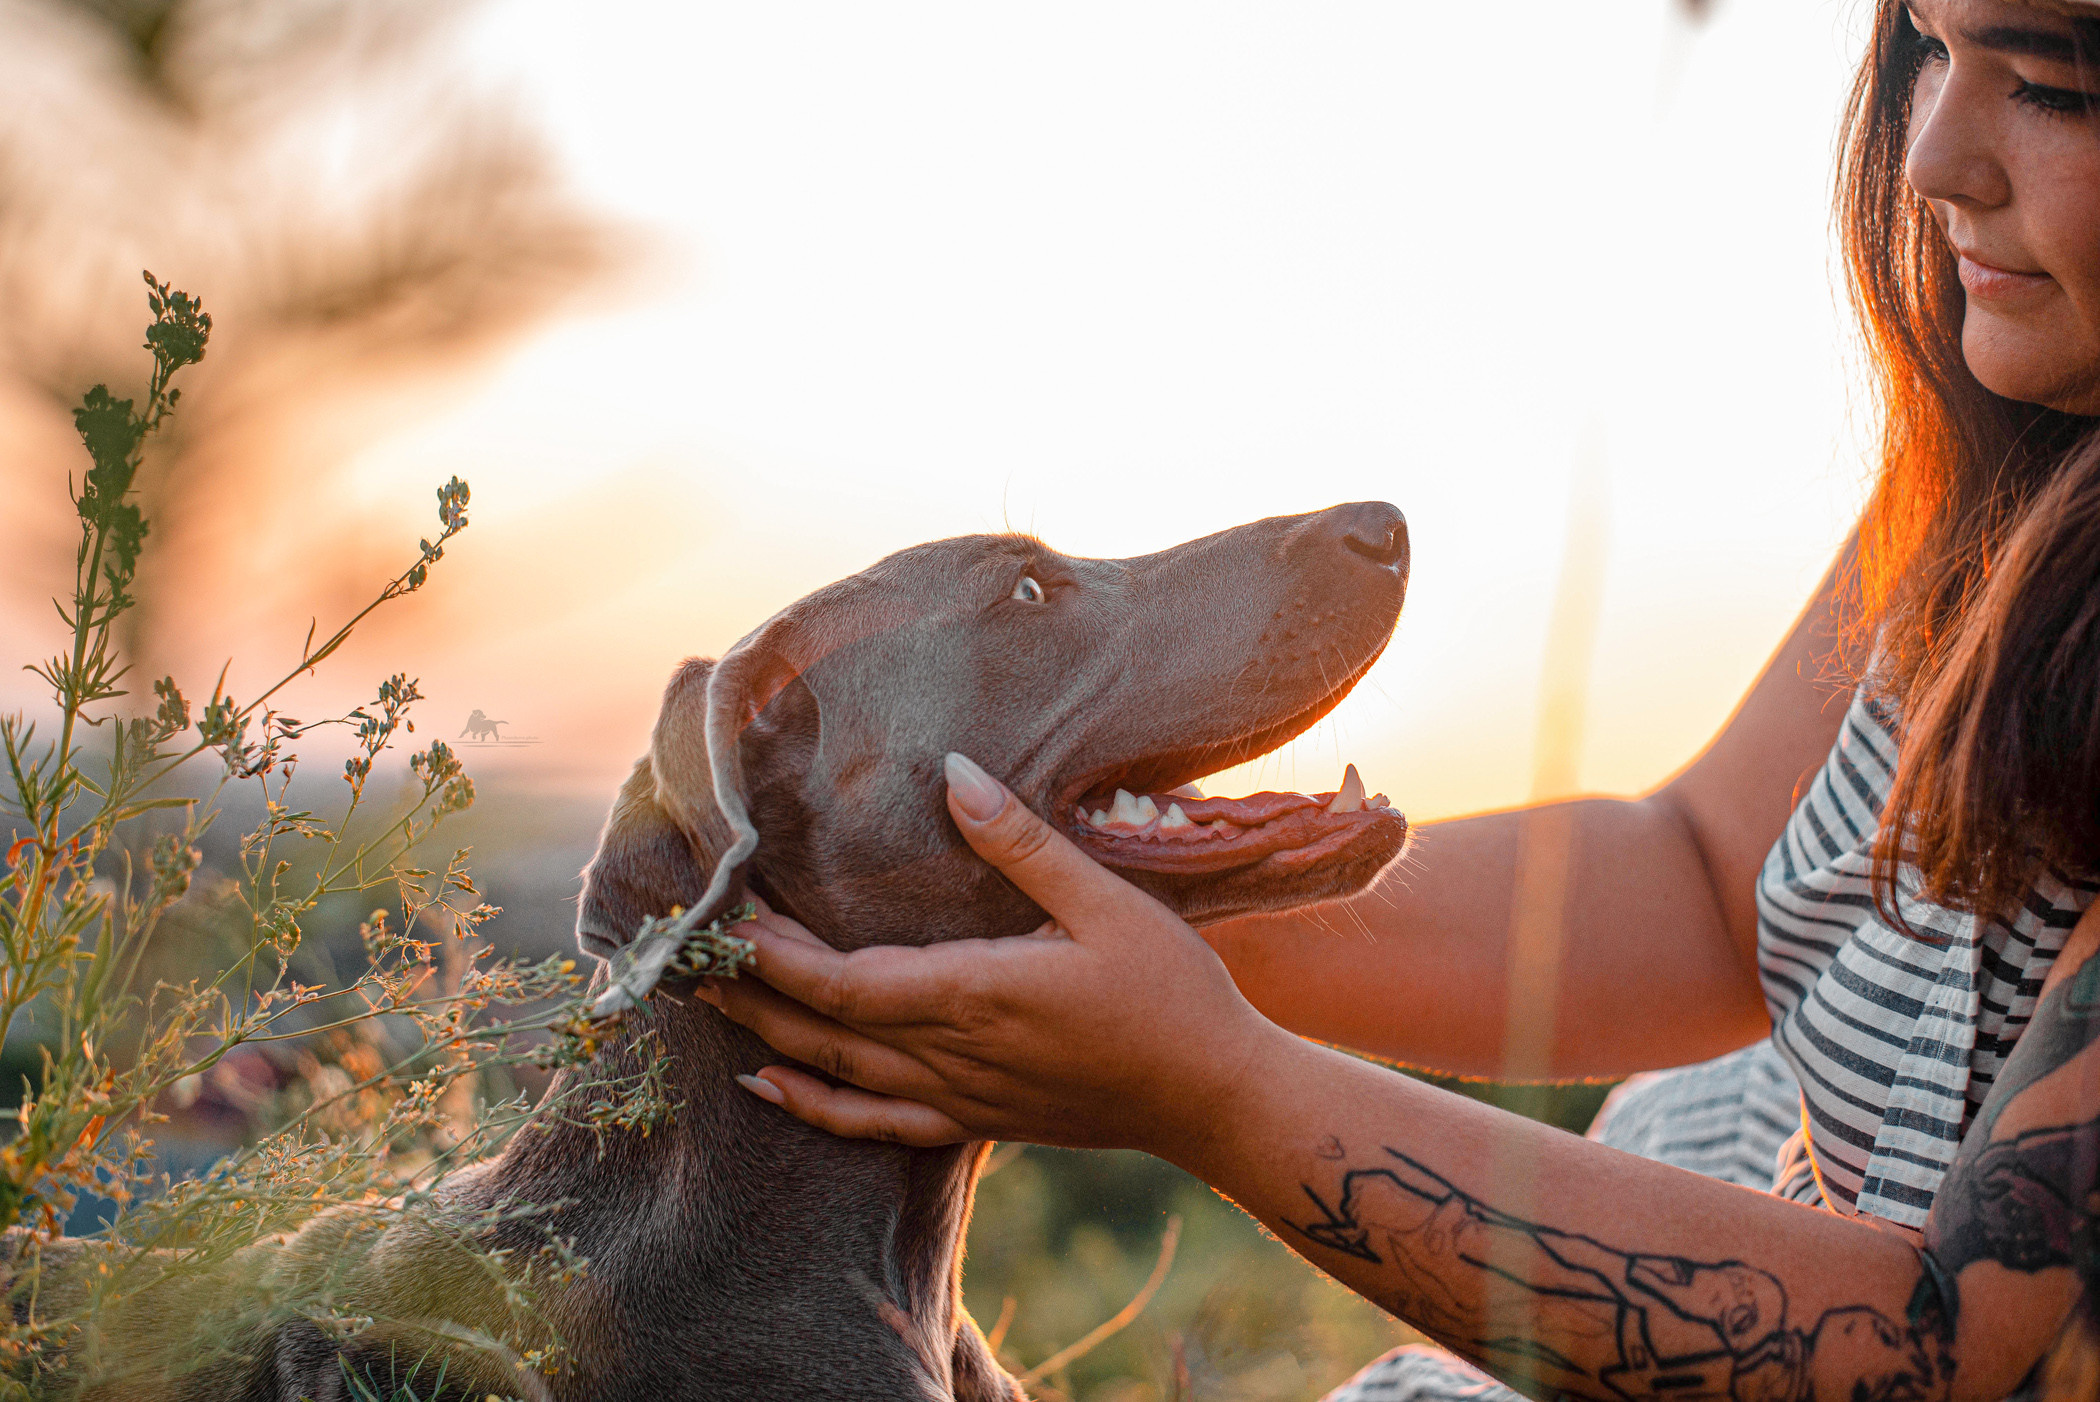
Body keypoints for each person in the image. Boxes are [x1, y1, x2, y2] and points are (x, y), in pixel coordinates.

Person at [697, 1, 2100, 1396]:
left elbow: (1955, 1349)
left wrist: (1212, 1085)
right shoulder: (2010, 475)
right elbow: (1705, 884)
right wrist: (1075, 903)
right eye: (1925, 45)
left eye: (2048, 83)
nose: (1930, 157)